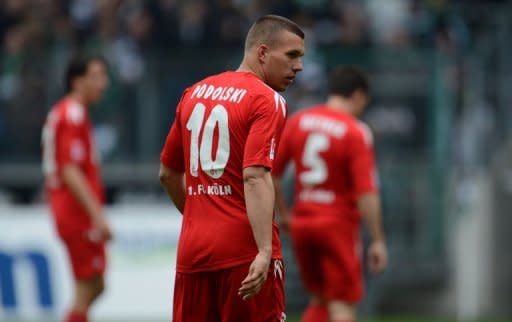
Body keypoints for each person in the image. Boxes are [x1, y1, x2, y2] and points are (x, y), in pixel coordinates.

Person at [159, 14, 304, 322]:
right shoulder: (266, 100)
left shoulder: (192, 93)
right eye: (291, 55)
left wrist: (203, 214)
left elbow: (167, 173)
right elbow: (254, 176)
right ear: (262, 53)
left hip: (193, 252)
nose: (299, 66)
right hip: (244, 251)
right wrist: (264, 250)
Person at [272, 66, 388, 322]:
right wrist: (378, 239)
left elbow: (271, 174)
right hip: (337, 226)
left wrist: (284, 215)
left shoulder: (299, 122)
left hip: (302, 223)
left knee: (319, 300)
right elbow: (366, 193)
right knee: (342, 304)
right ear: (358, 96)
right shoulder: (355, 131)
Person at [41, 56, 112, 322]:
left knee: (96, 285)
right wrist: (97, 215)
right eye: (96, 76)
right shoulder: (72, 114)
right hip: (75, 212)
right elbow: (70, 170)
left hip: (73, 210)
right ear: (77, 81)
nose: (103, 84)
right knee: (86, 288)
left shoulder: (68, 112)